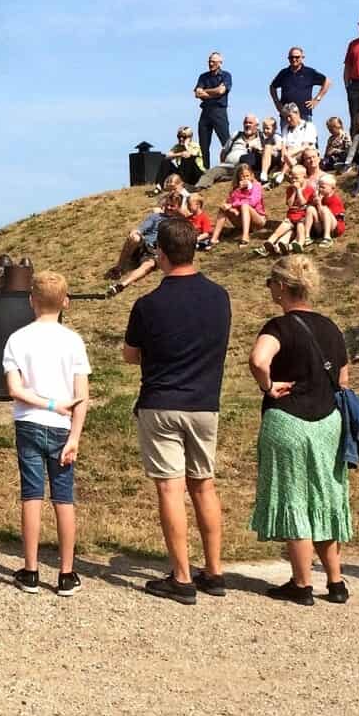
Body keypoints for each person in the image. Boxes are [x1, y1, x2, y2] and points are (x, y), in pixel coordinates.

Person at [122, 219, 232, 604]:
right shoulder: (220, 297)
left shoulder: (147, 304)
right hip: (204, 402)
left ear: (160, 255)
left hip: (162, 401)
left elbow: (130, 355)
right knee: (204, 484)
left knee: (170, 487)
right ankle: (214, 571)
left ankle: (182, 576)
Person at [249, 253, 352, 605]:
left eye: (270, 284)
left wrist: (268, 386)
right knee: (324, 497)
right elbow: (343, 378)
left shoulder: (278, 327)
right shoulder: (331, 327)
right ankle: (336, 581)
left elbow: (258, 360)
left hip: (289, 419)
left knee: (294, 498)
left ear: (281, 287)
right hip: (328, 422)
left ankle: (302, 583)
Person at [0, 270, 91, 596]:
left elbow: (14, 389)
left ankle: (31, 570)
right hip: (63, 429)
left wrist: (50, 404)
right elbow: (82, 395)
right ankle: (67, 573)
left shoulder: (17, 339)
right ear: (65, 302)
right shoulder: (73, 341)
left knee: (32, 496)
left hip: (29, 423)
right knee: (64, 499)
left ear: (31, 302)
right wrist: (75, 436)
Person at [106, 188, 187, 294]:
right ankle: (119, 268)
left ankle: (121, 285)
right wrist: (136, 231)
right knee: (135, 237)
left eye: (172, 206)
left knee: (148, 265)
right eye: (167, 204)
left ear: (178, 207)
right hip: (143, 245)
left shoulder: (178, 223)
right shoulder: (155, 216)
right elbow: (142, 228)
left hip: (154, 252)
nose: (168, 207)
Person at [260, 165, 315, 255]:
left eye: (296, 178)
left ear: (304, 177)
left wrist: (299, 190)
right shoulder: (290, 189)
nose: (293, 180)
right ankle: (268, 244)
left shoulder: (309, 189)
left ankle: (298, 244)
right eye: (292, 178)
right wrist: (293, 191)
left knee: (300, 231)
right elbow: (289, 204)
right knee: (279, 230)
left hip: (302, 218)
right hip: (291, 217)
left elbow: (302, 202)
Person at [269, 47, 330, 126]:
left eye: (297, 57)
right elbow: (272, 87)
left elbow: (327, 82)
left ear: (302, 58)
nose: (294, 59)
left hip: (304, 114)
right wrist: (277, 103)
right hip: (287, 115)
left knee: (307, 138)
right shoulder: (284, 73)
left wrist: (317, 99)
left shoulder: (309, 72)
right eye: (291, 57)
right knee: (287, 138)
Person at [209, 163, 267, 247]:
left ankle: (245, 237)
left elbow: (253, 201)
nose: (245, 178)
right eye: (243, 176)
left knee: (245, 205)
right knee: (223, 208)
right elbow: (231, 201)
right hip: (241, 219)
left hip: (258, 220)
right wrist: (231, 207)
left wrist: (233, 205)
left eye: (247, 176)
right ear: (239, 177)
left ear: (252, 176)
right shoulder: (236, 189)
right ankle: (214, 239)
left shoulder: (256, 186)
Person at [200, 113, 265, 184]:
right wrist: (223, 162)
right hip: (228, 166)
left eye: (250, 123)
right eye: (245, 123)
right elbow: (224, 151)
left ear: (257, 125)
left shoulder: (261, 138)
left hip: (245, 170)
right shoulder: (236, 135)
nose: (247, 125)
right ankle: (198, 190)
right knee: (211, 173)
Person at [193, 52, 232, 168]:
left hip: (219, 111)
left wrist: (206, 91)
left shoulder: (226, 75)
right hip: (205, 112)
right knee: (203, 144)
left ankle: (230, 167)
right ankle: (205, 170)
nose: (210, 64)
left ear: (220, 63)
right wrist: (214, 92)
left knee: (226, 142)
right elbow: (197, 93)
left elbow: (221, 91)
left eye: (213, 62)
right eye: (209, 61)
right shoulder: (203, 76)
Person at [275, 103, 318, 169]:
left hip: (302, 154)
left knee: (294, 152)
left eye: (290, 116)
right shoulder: (286, 128)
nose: (288, 119)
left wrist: (289, 154)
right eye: (286, 117)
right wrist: (283, 156)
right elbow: (283, 145)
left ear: (297, 114)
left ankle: (285, 173)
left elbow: (305, 146)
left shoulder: (308, 126)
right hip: (288, 156)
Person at [310, 173, 346, 245]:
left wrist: (319, 204)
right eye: (319, 187)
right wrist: (314, 204)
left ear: (332, 188)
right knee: (310, 208)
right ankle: (308, 236)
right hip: (322, 226)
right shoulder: (321, 197)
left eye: (323, 187)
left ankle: (327, 237)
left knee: (324, 209)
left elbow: (326, 216)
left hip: (335, 227)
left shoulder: (335, 200)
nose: (320, 189)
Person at [255, 115, 284, 184]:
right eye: (264, 128)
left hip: (276, 156)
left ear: (274, 128)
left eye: (268, 128)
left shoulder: (276, 136)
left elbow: (279, 146)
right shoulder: (263, 138)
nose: (265, 131)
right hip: (266, 156)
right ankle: (263, 171)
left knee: (267, 147)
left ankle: (264, 173)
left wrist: (270, 148)